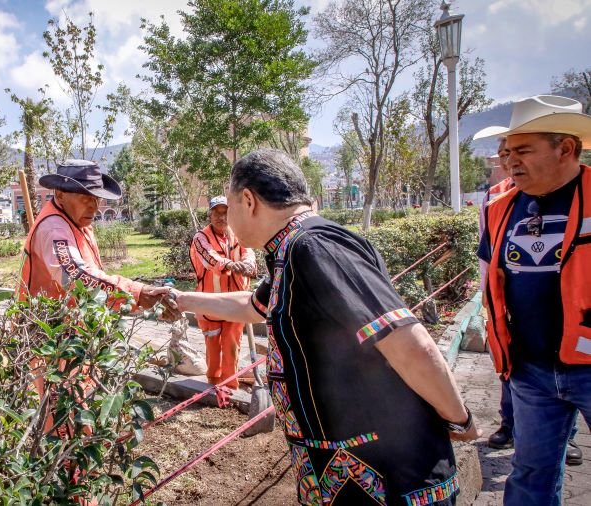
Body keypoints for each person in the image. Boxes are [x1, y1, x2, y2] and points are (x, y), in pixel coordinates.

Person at [167, 149, 477, 505]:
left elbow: (409, 343)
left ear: (248, 200)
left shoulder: (315, 248)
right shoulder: (289, 252)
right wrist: (184, 300)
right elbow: (253, 306)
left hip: (391, 477)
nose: (230, 218)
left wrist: (460, 420)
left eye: (232, 205)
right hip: (349, 476)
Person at [475, 94, 591, 505]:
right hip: (530, 371)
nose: (510, 162)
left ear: (566, 148)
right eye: (507, 152)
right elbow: (493, 278)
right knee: (530, 475)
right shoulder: (499, 208)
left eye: (523, 150)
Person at [15, 159, 172, 310]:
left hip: (76, 325)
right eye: (85, 198)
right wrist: (137, 293)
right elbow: (75, 277)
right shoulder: (54, 228)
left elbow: (92, 277)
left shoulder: (79, 222)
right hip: (48, 330)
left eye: (96, 198)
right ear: (60, 194)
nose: (94, 207)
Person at [190, 196, 256, 391]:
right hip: (210, 303)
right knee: (213, 343)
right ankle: (213, 384)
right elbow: (210, 258)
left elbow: (249, 254)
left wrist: (248, 265)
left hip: (235, 302)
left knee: (232, 344)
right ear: (209, 214)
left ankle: (230, 387)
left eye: (225, 212)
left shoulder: (238, 235)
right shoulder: (200, 238)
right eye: (216, 213)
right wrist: (231, 265)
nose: (221, 217)